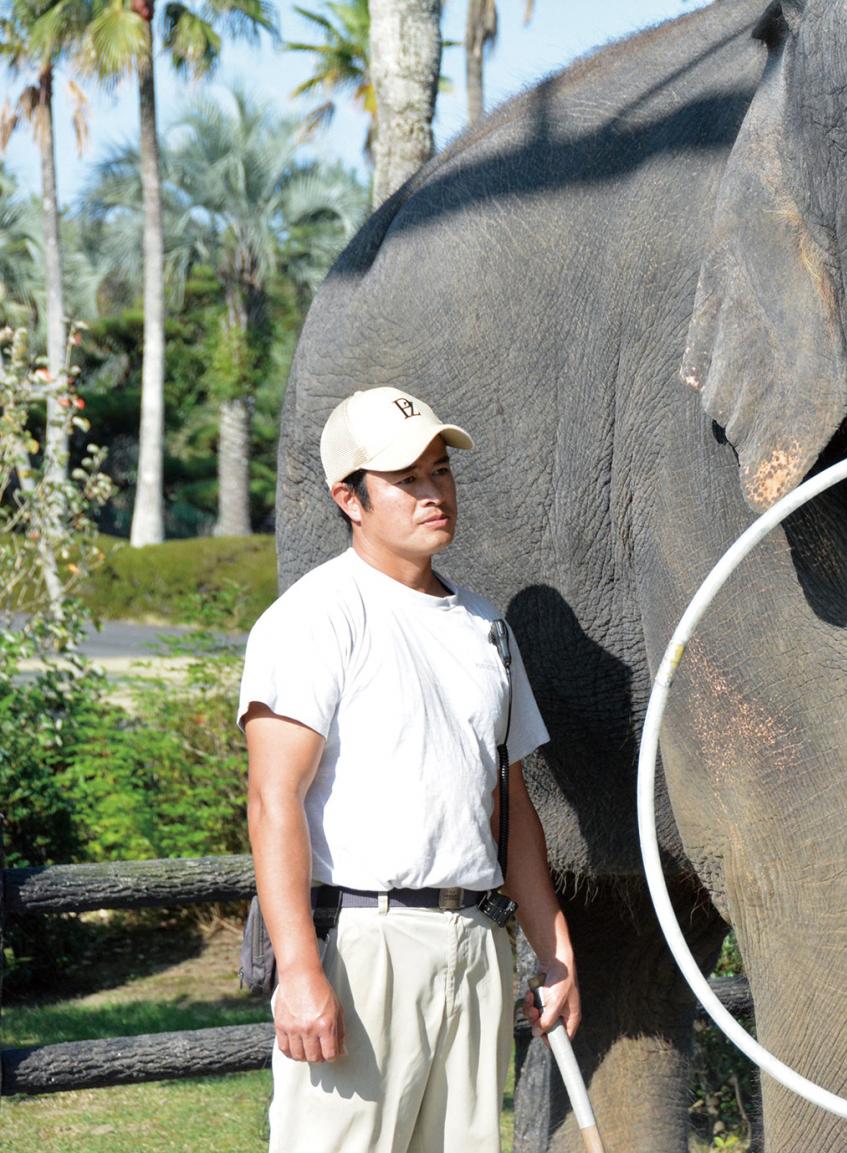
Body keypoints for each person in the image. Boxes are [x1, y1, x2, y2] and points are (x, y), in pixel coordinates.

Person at [241, 386, 577, 1153]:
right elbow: (272, 798)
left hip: (475, 942)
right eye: (406, 479)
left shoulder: (487, 627)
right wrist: (297, 970)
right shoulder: (314, 616)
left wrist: (550, 948)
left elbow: (509, 803)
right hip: (364, 945)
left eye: (440, 472)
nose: (434, 494)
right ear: (348, 498)